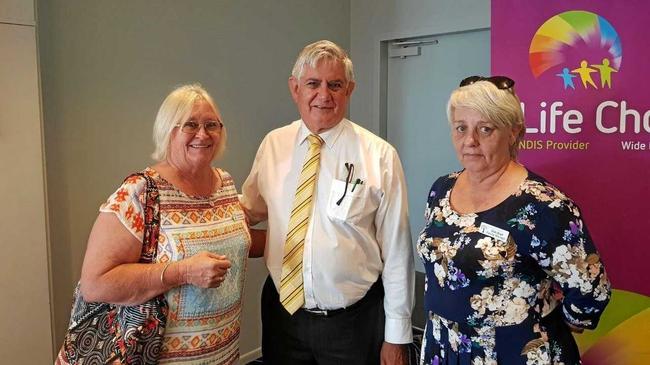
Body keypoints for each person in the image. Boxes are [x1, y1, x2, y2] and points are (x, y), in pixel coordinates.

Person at [241, 40, 415, 364]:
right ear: (295, 89)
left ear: (349, 89)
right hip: (283, 316)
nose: (324, 95)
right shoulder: (273, 145)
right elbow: (248, 210)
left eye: (335, 85)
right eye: (313, 84)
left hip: (352, 323)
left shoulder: (380, 156)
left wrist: (397, 335)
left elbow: (397, 252)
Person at [417, 76, 611, 364]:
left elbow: (590, 289)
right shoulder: (441, 189)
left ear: (513, 132)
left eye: (486, 129)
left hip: (513, 351)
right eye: (461, 128)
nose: (470, 141)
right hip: (444, 345)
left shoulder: (543, 204)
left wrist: (560, 321)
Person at [68, 84, 253, 364]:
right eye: (190, 124)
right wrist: (183, 272)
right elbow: (95, 285)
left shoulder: (225, 183)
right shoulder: (140, 192)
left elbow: (238, 241)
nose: (203, 134)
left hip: (223, 351)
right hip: (155, 354)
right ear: (168, 130)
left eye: (211, 125)